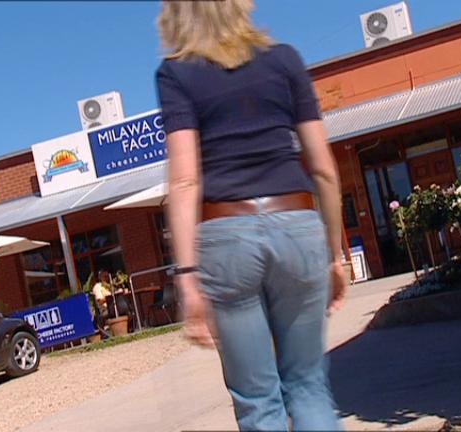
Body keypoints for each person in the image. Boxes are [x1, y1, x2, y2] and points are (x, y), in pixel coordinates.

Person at [155, 1, 348, 430]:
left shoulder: (176, 74)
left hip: (226, 237)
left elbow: (184, 181)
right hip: (296, 224)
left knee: (258, 402)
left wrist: (187, 278)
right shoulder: (285, 60)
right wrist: (335, 256)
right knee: (308, 386)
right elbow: (323, 169)